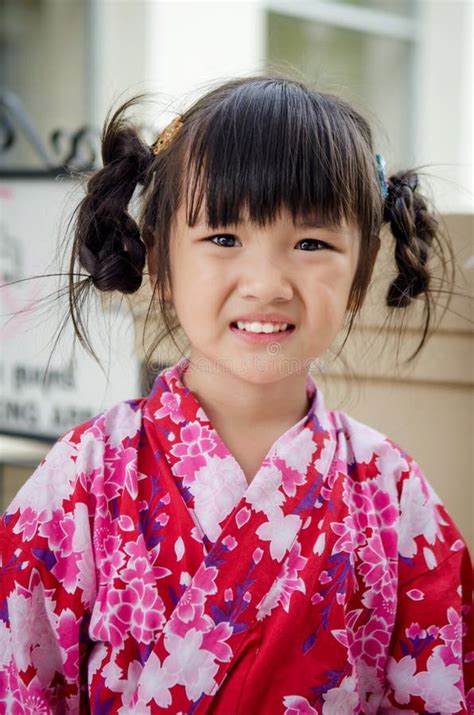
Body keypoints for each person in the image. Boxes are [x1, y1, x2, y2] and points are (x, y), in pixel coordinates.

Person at [0, 75, 472, 714]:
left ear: (359, 278)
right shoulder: (85, 477)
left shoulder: (392, 492)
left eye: (311, 243)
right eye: (223, 238)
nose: (267, 282)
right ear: (162, 263)